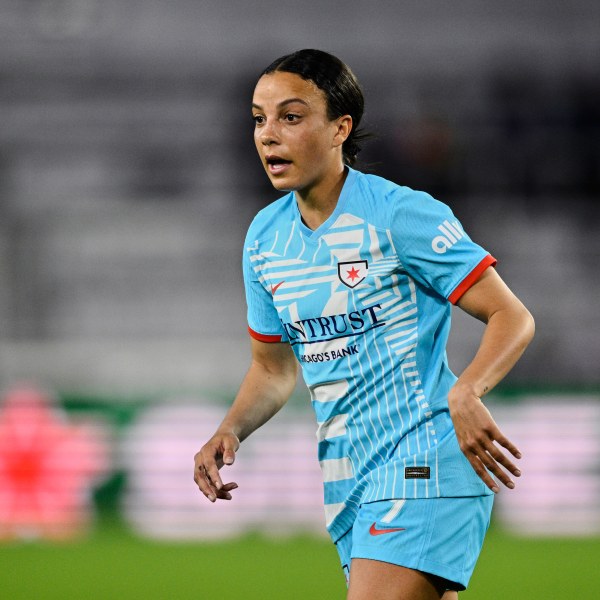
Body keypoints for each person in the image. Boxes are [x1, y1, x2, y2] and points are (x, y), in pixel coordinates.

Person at [194, 49, 535, 600]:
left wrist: (469, 388)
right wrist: (229, 430)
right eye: (259, 119)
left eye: (291, 116)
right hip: (350, 478)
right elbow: (272, 369)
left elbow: (511, 315)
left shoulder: (399, 213)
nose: (268, 135)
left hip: (425, 459)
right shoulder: (263, 239)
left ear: (340, 128)